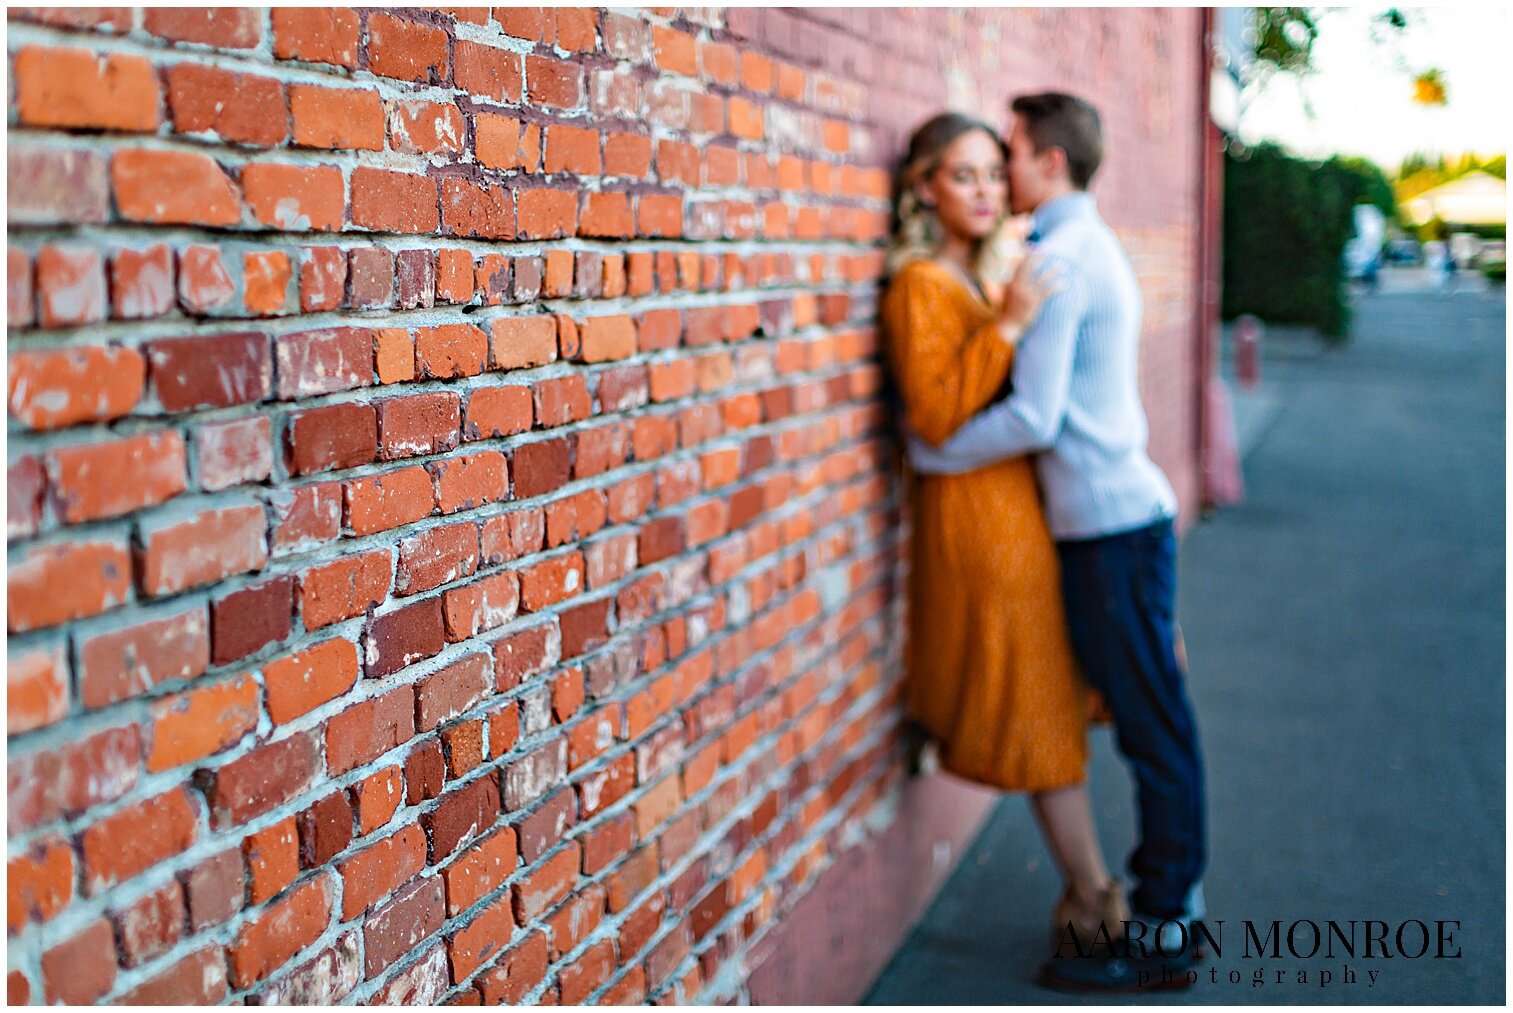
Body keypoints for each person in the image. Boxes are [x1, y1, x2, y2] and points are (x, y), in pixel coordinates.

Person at [905, 93, 1208, 993]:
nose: (1002, 171)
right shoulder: (1075, 246)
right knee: (1149, 716)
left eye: (1011, 154)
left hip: (1111, 527)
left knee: (1153, 724)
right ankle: (1158, 908)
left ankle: (1164, 925)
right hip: (1107, 523)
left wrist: (934, 448)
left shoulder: (1061, 258)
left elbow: (1034, 417)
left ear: (1049, 162)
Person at [879, 111, 1128, 965]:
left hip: (1011, 512)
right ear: (923, 189)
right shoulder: (919, 285)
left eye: (994, 172)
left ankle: (1090, 894)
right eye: (963, 175)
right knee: (1035, 705)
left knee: (1044, 703)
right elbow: (937, 414)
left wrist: (1005, 312)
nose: (986, 191)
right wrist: (1012, 324)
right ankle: (1093, 899)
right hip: (979, 524)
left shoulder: (975, 277)